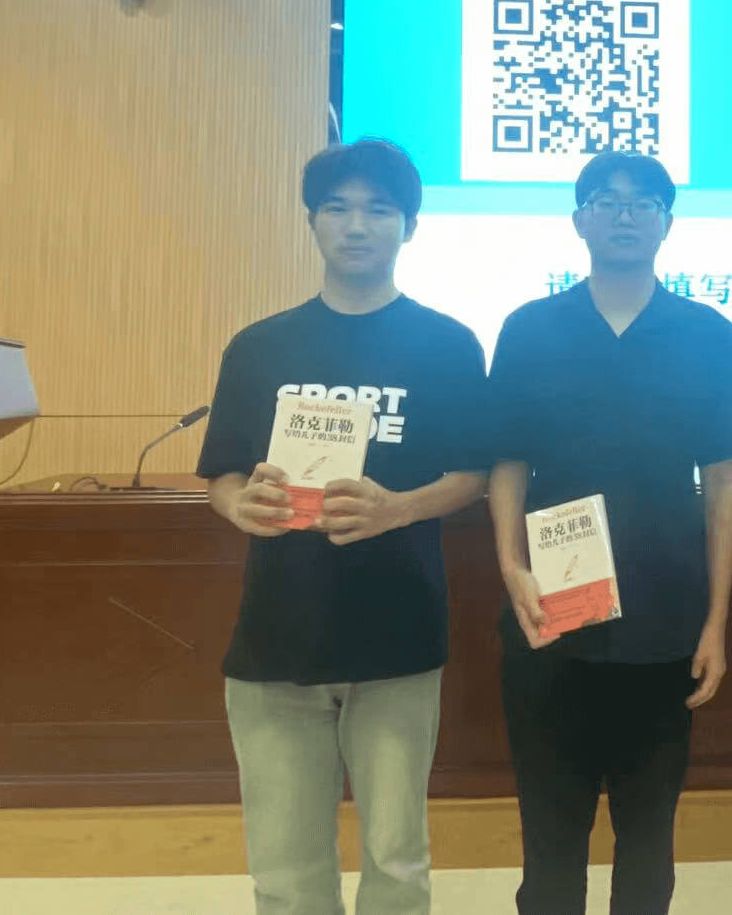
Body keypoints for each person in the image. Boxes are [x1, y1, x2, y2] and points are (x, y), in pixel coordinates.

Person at [197, 138, 491, 915]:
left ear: (410, 226)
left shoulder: (448, 344)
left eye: (379, 210)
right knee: (285, 869)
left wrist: (399, 507)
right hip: (277, 637)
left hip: (397, 635)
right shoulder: (259, 347)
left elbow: (474, 474)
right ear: (312, 222)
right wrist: (241, 505)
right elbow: (223, 474)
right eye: (338, 208)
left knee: (396, 860)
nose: (357, 226)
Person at [487, 150, 732, 915]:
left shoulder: (705, 333)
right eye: (606, 201)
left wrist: (715, 622)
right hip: (549, 619)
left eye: (643, 203)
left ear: (666, 222)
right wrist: (510, 565)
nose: (624, 215)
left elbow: (724, 482)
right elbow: (507, 459)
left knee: (648, 839)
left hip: (665, 623)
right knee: (550, 840)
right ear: (579, 220)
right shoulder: (530, 328)